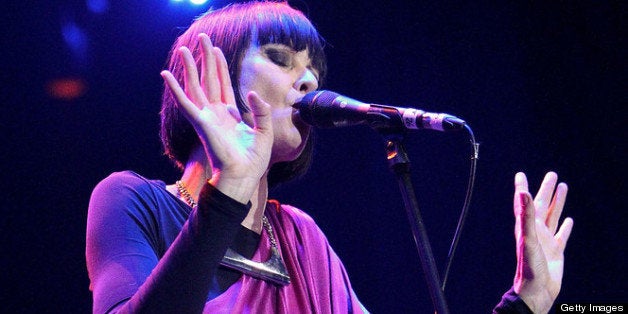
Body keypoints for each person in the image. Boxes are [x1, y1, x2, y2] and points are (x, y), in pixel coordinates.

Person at [85, 1, 574, 313]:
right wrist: (229, 186)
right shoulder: (130, 200)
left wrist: (524, 303)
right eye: (280, 58)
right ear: (211, 73)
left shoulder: (301, 238)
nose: (311, 81)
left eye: (313, 68)